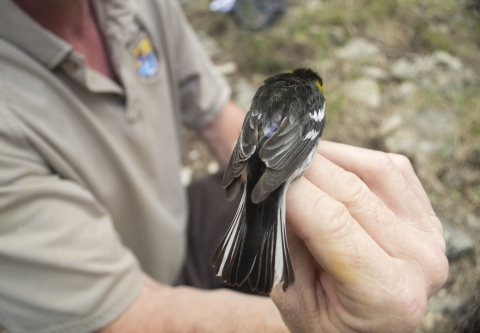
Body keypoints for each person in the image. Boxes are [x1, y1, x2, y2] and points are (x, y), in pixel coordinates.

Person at [0, 0, 448, 332]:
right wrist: (320, 325)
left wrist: (283, 178)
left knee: (309, 239)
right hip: (112, 296)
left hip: (181, 222)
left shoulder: (138, 6)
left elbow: (219, 118)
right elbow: (123, 315)